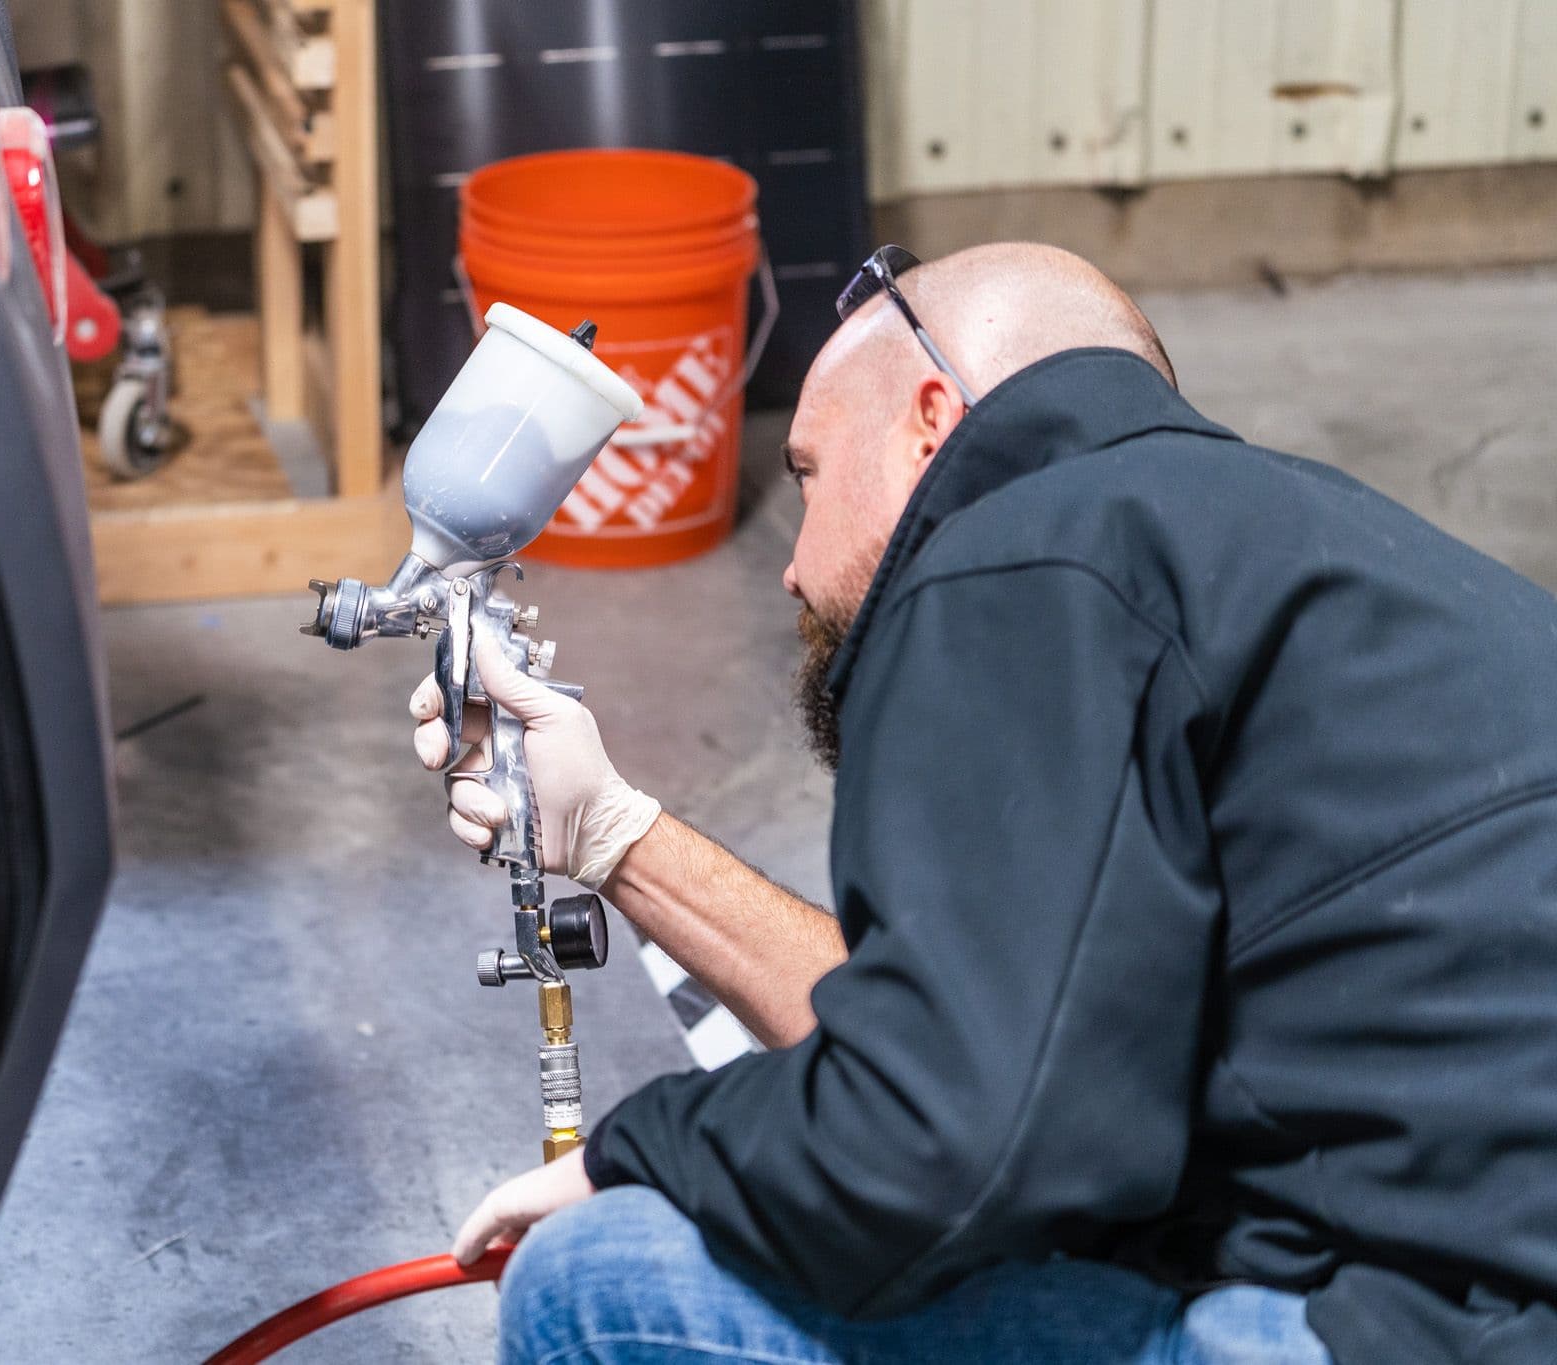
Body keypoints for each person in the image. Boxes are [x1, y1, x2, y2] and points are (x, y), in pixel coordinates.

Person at [408, 242, 1557, 1364]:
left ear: (930, 420)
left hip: (1446, 1324)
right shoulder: (1322, 555)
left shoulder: (1018, 553)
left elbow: (952, 1149)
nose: (789, 567)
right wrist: (611, 832)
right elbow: (994, 1049)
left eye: (807, 474)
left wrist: (635, 1153)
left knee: (596, 1280)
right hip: (1472, 1268)